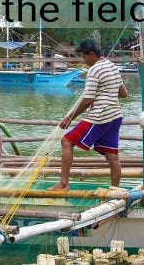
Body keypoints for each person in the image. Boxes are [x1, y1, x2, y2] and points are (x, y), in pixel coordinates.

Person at [49, 39, 128, 191]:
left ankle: (63, 184)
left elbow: (87, 101)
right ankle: (115, 190)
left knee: (66, 140)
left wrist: (69, 118)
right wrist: (107, 94)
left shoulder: (94, 70)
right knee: (112, 155)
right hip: (115, 116)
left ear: (92, 54)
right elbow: (123, 93)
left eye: (84, 57)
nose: (84, 61)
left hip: (100, 117)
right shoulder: (112, 66)